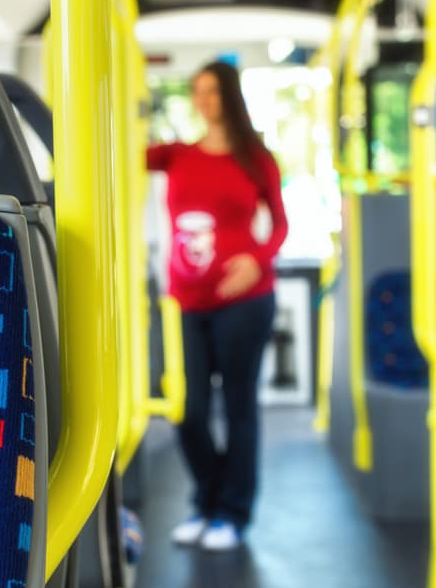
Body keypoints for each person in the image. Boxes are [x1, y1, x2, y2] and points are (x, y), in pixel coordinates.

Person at [147, 61, 288, 551]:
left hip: (246, 301)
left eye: (212, 90)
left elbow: (281, 225)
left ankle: (232, 513)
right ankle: (208, 501)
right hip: (186, 303)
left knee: (238, 407)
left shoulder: (256, 158)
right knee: (188, 409)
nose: (204, 100)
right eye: (197, 91)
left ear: (230, 96)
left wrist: (257, 259)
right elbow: (115, 149)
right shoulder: (176, 155)